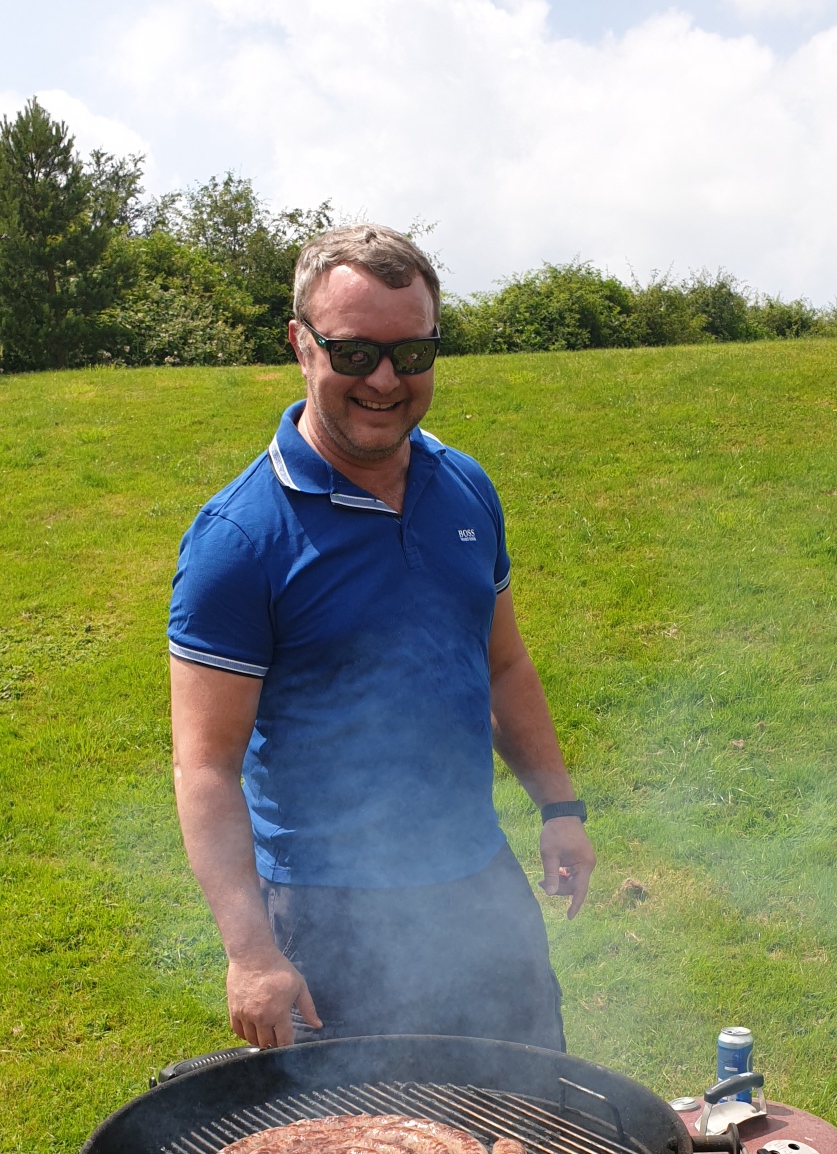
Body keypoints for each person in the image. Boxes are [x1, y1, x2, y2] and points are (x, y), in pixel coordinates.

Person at [169, 224, 595, 1052]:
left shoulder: (465, 487)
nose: (387, 380)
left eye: (413, 352)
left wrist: (559, 806)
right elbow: (206, 765)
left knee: (534, 1120)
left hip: (478, 884)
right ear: (301, 345)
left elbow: (502, 664)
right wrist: (251, 953)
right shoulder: (240, 539)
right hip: (329, 916)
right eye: (356, 353)